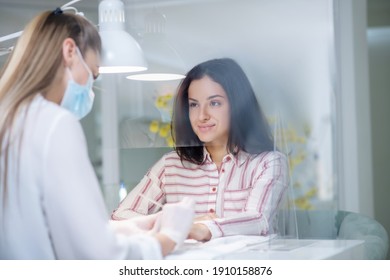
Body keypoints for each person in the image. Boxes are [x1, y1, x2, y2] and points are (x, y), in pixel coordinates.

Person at [0, 8, 195, 260]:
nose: (91, 87)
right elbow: (98, 255)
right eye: (93, 74)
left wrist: (133, 226)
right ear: (70, 51)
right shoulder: (53, 123)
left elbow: (48, 225)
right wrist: (167, 237)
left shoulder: (12, 118)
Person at [111, 58, 289, 242]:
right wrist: (180, 224)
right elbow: (120, 216)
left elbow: (258, 220)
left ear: (238, 107)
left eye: (214, 103)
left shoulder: (270, 162)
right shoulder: (171, 165)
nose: (202, 116)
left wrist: (203, 229)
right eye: (194, 104)